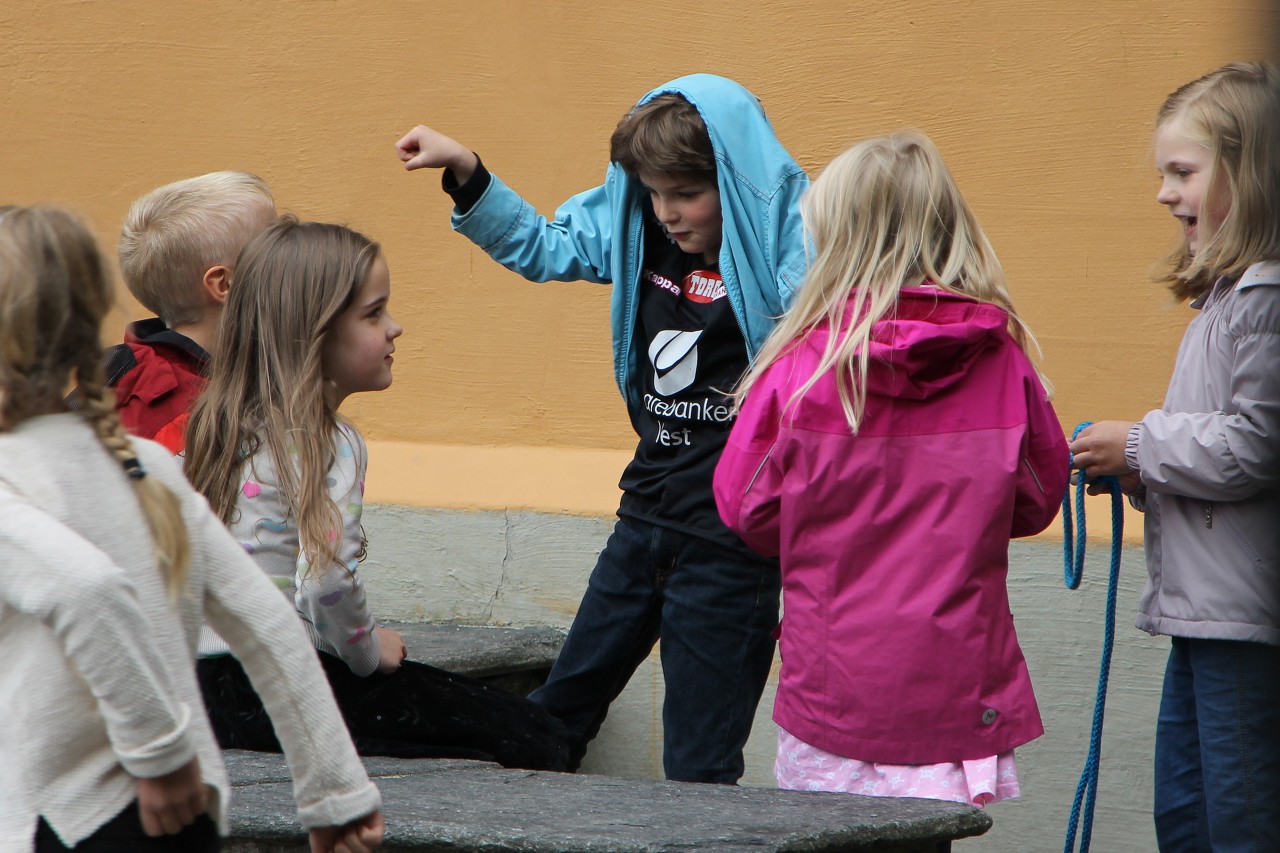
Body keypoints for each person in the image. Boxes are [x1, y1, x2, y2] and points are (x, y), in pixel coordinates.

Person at [395, 73, 809, 782]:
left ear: (734, 185)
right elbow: (548, 246)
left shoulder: (792, 247)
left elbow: (851, 337)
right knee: (556, 713)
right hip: (645, 515)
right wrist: (467, 173)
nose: (667, 212)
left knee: (699, 761)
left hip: (731, 542)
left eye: (685, 194)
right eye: (653, 192)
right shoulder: (638, 225)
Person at [0, 205, 383, 852]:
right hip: (187, 813)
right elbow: (268, 624)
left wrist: (158, 753)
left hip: (67, 819)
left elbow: (90, 591)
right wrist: (335, 794)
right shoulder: (143, 462)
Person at [713, 131, 1068, 807]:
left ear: (834, 244)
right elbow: (1035, 499)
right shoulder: (1005, 363)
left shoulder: (799, 371)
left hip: (835, 688)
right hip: (956, 690)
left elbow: (746, 510)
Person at [182, 217, 571, 772]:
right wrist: (368, 654)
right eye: (373, 313)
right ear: (312, 333)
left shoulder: (210, 425)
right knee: (531, 736)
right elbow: (325, 581)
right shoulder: (330, 441)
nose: (396, 328)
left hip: (198, 683)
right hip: (279, 686)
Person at [1067, 61, 1280, 850]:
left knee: (1242, 816)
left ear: (1252, 174)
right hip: (1211, 609)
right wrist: (1139, 474)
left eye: (1183, 172)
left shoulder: (1267, 298)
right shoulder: (1227, 298)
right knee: (1188, 812)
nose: (1164, 192)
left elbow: (1257, 445)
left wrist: (1140, 442)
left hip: (1244, 620)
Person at [108, 171, 277, 452]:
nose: (293, 255)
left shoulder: (233, 377)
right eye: (275, 246)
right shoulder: (185, 416)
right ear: (224, 284)